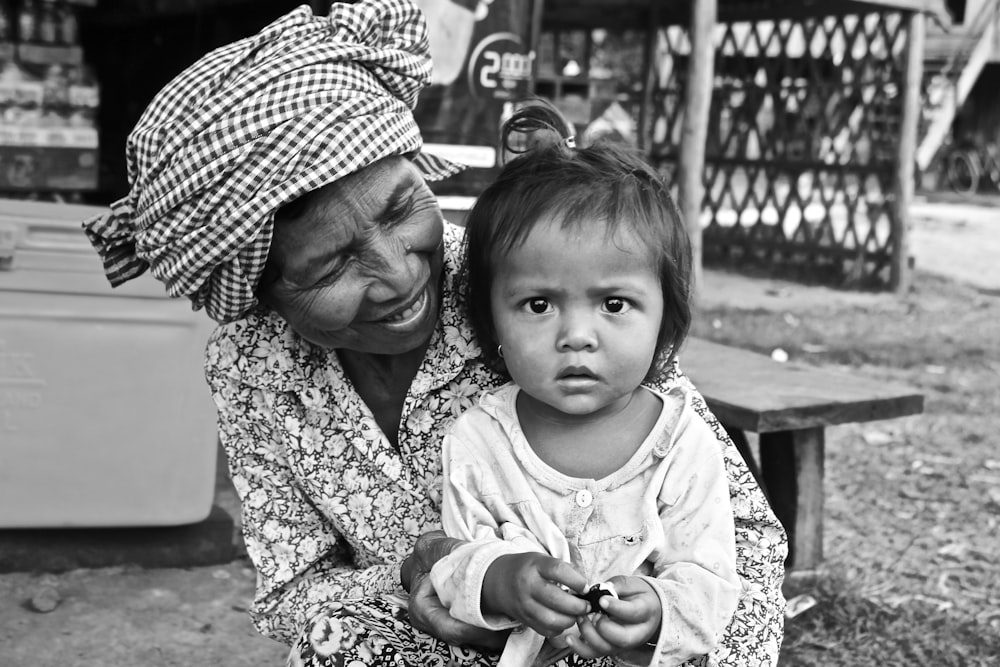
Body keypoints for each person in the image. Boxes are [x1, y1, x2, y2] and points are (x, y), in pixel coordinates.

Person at [80, 2, 787, 666]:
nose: (397, 274)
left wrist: (657, 621)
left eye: (399, 209)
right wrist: (441, 589)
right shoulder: (251, 365)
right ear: (261, 293)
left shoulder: (533, 281)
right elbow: (297, 587)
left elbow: (747, 557)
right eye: (332, 264)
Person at [427, 102, 740, 667]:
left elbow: (713, 583)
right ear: (490, 320)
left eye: (614, 303)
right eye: (538, 304)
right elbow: (454, 563)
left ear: (664, 318)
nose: (576, 335)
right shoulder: (477, 443)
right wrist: (497, 580)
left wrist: (660, 609)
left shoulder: (682, 446)